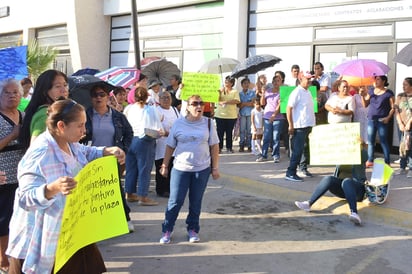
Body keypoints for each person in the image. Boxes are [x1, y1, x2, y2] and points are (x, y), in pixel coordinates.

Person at [6, 99, 126, 274]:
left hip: (72, 230)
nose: (84, 131)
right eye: (80, 126)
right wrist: (52, 189)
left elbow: (84, 151)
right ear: (61, 126)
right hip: (42, 238)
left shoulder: (69, 143)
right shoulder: (40, 153)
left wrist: (104, 151)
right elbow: (24, 198)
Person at [158, 95, 220, 244]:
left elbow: (214, 146)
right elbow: (170, 145)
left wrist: (215, 167)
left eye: (201, 103)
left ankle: (193, 229)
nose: (199, 106)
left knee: (196, 201)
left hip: (202, 169)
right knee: (175, 201)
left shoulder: (209, 123)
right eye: (195, 104)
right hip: (180, 168)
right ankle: (167, 229)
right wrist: (165, 165)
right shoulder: (178, 124)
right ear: (188, 106)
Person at [81, 83, 135, 232]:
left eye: (101, 95)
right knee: (92, 192)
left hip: (111, 160)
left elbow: (129, 133)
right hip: (90, 159)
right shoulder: (84, 116)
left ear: (107, 97)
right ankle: (97, 223)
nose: (98, 98)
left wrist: (123, 149)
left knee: (115, 190)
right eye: (95, 95)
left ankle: (125, 219)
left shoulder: (117, 116)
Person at [295, 150, 368, 225]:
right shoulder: (342, 151)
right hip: (343, 189)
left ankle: (354, 213)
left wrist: (357, 147)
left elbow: (365, 156)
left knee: (347, 181)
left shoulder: (361, 152)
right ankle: (309, 203)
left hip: (358, 190)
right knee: (328, 178)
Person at [0, 79, 25, 273]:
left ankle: (16, 256)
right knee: (4, 219)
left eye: (15, 92)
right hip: (3, 176)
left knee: (19, 218)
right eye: (7, 92)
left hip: (23, 176)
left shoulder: (25, 116)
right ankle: (3, 259)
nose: (11, 95)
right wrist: (12, 135)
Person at [123, 87, 163, 206]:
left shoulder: (129, 108)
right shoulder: (150, 109)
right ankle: (143, 196)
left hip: (131, 139)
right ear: (147, 97)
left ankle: (129, 192)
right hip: (145, 139)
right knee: (144, 169)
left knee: (131, 168)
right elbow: (159, 124)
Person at [19, 69, 69, 151]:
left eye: (65, 85)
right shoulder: (46, 115)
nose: (64, 90)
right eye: (58, 86)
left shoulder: (54, 111)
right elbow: (36, 149)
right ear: (45, 91)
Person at [285, 72, 316, 182]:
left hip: (307, 125)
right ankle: (290, 172)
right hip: (300, 126)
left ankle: (302, 168)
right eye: (307, 79)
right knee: (297, 150)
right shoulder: (297, 92)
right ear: (301, 79)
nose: (309, 81)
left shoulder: (307, 92)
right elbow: (289, 109)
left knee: (304, 149)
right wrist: (291, 125)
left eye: (310, 79)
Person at [361, 75, 395, 166]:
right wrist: (362, 95)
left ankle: (387, 161)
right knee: (371, 141)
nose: (376, 81)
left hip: (382, 120)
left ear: (384, 81)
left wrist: (388, 118)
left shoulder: (389, 93)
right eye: (375, 79)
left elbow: (393, 107)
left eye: (378, 79)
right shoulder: (371, 91)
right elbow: (365, 105)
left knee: (383, 141)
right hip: (371, 119)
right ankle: (370, 160)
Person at [155, 90, 180, 197]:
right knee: (162, 165)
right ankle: (161, 189)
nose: (166, 100)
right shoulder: (156, 111)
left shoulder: (174, 110)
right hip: (161, 144)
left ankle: (171, 188)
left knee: (172, 165)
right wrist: (168, 133)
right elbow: (157, 129)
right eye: (163, 98)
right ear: (159, 100)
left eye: (168, 97)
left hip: (174, 143)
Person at [258, 75, 285, 163]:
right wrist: (263, 93)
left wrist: (274, 115)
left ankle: (276, 155)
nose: (276, 83)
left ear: (281, 82)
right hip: (267, 116)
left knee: (275, 137)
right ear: (272, 82)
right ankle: (264, 155)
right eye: (275, 81)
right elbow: (262, 103)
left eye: (278, 81)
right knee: (266, 136)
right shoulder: (268, 91)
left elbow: (280, 105)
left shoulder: (282, 92)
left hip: (278, 117)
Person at [214, 76, 240, 153]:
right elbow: (215, 100)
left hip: (231, 116)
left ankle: (229, 147)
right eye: (225, 82)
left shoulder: (235, 91)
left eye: (227, 82)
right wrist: (219, 93)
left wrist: (226, 102)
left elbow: (237, 101)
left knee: (229, 132)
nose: (225, 83)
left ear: (231, 83)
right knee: (220, 132)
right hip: (220, 115)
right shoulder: (220, 90)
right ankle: (219, 147)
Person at [394, 77, 412, 177]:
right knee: (402, 145)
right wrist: (400, 123)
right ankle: (402, 166)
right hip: (401, 125)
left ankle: (411, 167)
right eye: (403, 84)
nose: (403, 86)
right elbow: (396, 110)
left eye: (405, 84)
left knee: (410, 146)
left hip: (410, 125)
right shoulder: (400, 96)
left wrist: (409, 122)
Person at [238, 77, 255, 152]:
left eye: (248, 83)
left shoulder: (252, 93)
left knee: (249, 130)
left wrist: (244, 103)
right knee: (242, 130)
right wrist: (247, 103)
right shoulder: (239, 94)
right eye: (245, 83)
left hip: (250, 114)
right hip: (242, 114)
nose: (246, 85)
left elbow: (253, 104)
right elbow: (239, 105)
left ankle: (249, 145)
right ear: (242, 85)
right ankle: (241, 145)